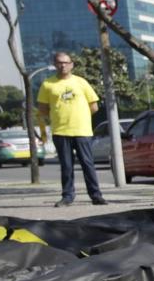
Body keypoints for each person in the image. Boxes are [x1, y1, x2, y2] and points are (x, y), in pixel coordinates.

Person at [35, 51, 105, 207]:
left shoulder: (81, 82)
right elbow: (43, 108)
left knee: (87, 163)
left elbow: (93, 106)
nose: (63, 65)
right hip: (61, 131)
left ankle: (96, 195)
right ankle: (67, 196)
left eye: (66, 62)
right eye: (59, 62)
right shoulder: (48, 84)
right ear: (55, 64)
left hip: (82, 131)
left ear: (72, 64)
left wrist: (80, 117)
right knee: (66, 166)